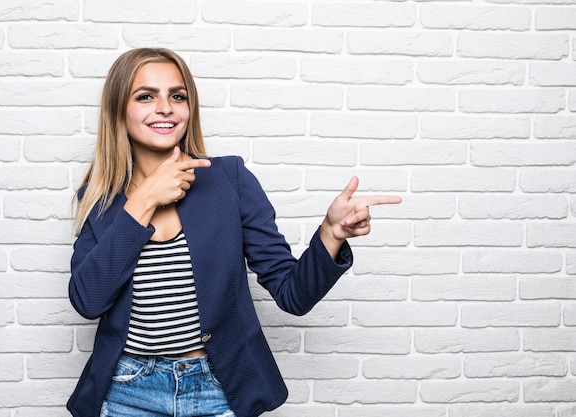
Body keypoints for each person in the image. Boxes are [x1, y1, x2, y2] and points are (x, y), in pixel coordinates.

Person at [67, 47, 402, 417]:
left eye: (177, 96)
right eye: (145, 96)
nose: (165, 107)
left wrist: (331, 232)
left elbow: (294, 295)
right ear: (119, 109)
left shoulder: (229, 180)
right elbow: (87, 301)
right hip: (127, 392)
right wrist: (142, 201)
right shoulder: (100, 200)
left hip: (218, 388)